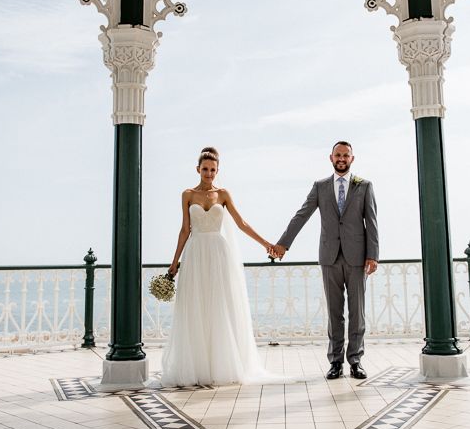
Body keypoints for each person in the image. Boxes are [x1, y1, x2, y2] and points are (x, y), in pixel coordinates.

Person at [161, 147, 276, 387]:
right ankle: (197, 368)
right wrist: (174, 263)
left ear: (217, 171)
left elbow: (241, 223)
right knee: (195, 306)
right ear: (197, 169)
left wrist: (266, 243)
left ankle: (220, 365)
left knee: (218, 305)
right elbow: (184, 230)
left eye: (213, 170)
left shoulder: (222, 194)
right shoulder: (187, 194)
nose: (209, 173)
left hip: (217, 255)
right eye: (205, 169)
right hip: (194, 255)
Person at [272, 141, 378, 380]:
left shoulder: (364, 186)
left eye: (346, 155)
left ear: (352, 158)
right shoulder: (320, 187)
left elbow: (371, 222)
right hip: (329, 256)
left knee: (357, 311)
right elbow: (302, 215)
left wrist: (373, 255)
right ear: (330, 158)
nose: (342, 158)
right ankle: (335, 362)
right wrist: (283, 244)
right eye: (338, 155)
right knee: (334, 312)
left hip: (357, 257)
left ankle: (356, 360)